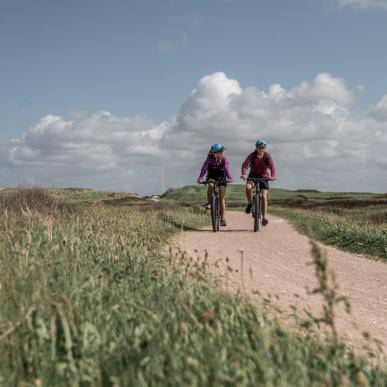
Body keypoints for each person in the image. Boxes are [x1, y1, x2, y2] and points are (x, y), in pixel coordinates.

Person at [241, 139, 276, 226]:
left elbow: (272, 166)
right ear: (256, 148)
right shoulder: (252, 156)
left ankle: (264, 218)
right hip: (252, 177)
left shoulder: (267, 156)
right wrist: (244, 174)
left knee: (264, 197)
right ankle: (250, 203)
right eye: (259, 147)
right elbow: (245, 165)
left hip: (264, 178)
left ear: (265, 148)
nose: (261, 149)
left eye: (263, 148)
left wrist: (272, 176)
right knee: (248, 188)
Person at [197, 143, 233, 226]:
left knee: (221, 197)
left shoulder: (224, 159)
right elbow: (204, 169)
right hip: (211, 177)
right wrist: (200, 178)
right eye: (220, 152)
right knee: (210, 185)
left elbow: (226, 168)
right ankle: (210, 202)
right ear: (214, 153)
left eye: (222, 152)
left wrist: (229, 177)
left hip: (222, 178)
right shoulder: (209, 159)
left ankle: (222, 219)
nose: (221, 153)